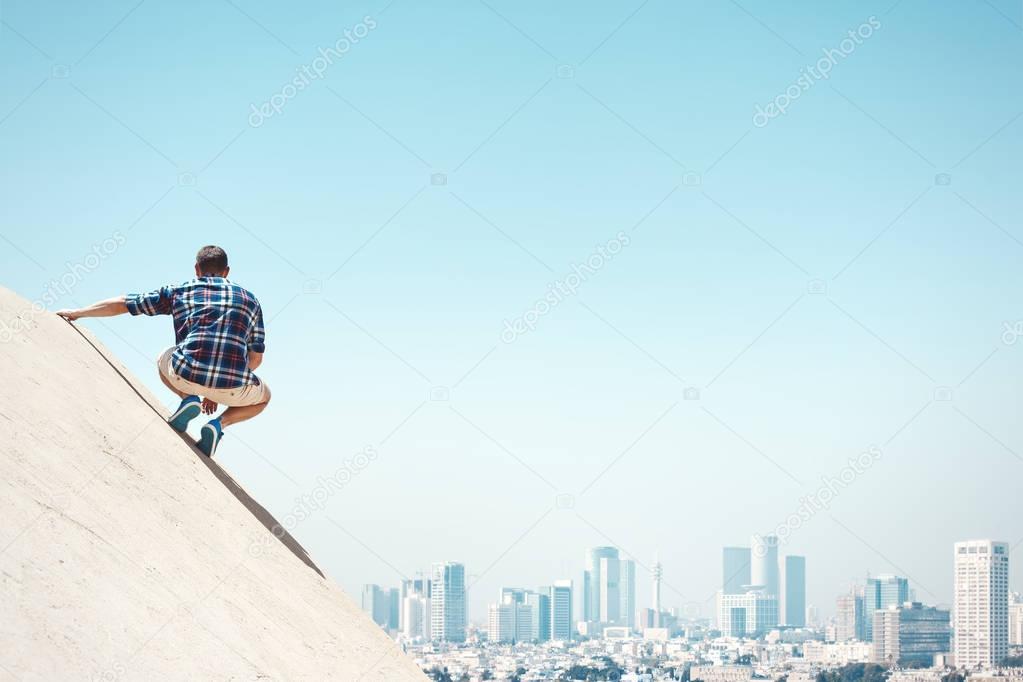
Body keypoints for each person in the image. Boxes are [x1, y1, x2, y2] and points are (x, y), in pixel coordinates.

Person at [56, 245, 270, 457]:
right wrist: (223, 383)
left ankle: (188, 399)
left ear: (197, 269)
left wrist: (78, 312)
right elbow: (256, 358)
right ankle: (219, 424)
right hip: (232, 385)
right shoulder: (251, 300)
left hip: (184, 373)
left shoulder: (180, 291)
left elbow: (124, 303)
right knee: (264, 398)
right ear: (227, 272)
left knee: (163, 356)